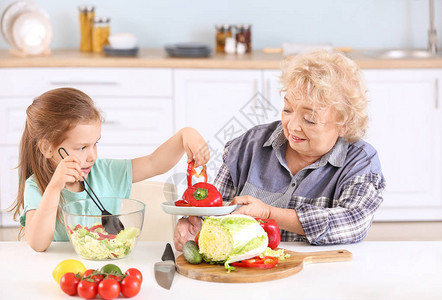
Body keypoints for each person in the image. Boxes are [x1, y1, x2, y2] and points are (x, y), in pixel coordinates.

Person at [174, 51, 385, 251]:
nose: (292, 126)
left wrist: (268, 212)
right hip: (248, 274)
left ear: (344, 125)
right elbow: (213, 213)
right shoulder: (248, 146)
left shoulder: (360, 162)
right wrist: (193, 228)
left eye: (309, 119)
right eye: (287, 110)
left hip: (320, 275)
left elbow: (353, 222)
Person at [9, 87, 209, 252]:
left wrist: (185, 135)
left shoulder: (105, 172)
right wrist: (54, 188)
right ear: (47, 148)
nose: (92, 156)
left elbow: (153, 163)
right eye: (81, 148)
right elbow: (38, 244)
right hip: (62, 274)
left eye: (95, 144)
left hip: (107, 268)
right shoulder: (37, 187)